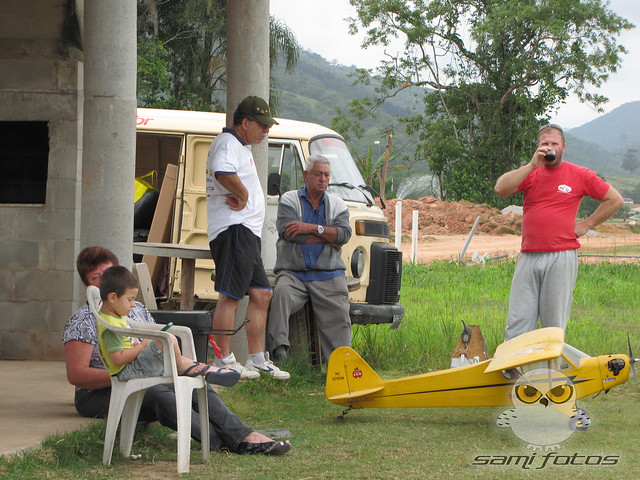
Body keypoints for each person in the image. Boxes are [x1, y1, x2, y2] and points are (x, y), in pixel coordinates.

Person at [62, 246, 290, 456]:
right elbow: (77, 375)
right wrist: (130, 376)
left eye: (109, 275)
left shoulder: (136, 309)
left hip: (142, 372)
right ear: (89, 285)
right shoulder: (84, 320)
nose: (106, 283)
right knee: (158, 394)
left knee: (195, 381)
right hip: (98, 394)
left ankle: (243, 435)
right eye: (97, 279)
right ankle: (223, 441)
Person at [494, 124, 623, 342]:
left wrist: (586, 225)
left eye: (554, 143)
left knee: (552, 326)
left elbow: (615, 199)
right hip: (528, 255)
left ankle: (550, 372)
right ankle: (511, 372)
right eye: (545, 144)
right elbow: (500, 189)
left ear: (564, 146)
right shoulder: (530, 172)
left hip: (561, 256)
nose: (550, 147)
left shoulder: (580, 174)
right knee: (517, 321)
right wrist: (531, 165)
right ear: (538, 147)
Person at [206, 96, 289, 380]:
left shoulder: (241, 146)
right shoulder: (228, 143)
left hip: (246, 232)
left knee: (262, 293)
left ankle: (256, 358)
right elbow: (221, 171)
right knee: (230, 296)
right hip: (234, 229)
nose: (266, 130)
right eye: (262, 125)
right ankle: (223, 359)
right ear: (245, 122)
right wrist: (242, 194)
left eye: (268, 126)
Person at [266, 155, 352, 363]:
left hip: (328, 273)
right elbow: (290, 233)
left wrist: (311, 228)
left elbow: (344, 236)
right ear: (306, 176)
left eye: (326, 175)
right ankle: (279, 355)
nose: (323, 179)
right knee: (281, 295)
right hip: (293, 272)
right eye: (318, 174)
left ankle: (341, 365)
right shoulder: (289, 199)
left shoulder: (338, 204)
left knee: (340, 312)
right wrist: (328, 237)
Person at [96, 265, 239, 387]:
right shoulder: (110, 327)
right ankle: (185, 367)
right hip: (129, 371)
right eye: (130, 299)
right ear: (113, 297)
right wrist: (141, 346)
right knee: (167, 340)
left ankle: (202, 368)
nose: (133, 304)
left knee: (168, 340)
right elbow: (118, 359)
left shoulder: (116, 317)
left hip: (135, 365)